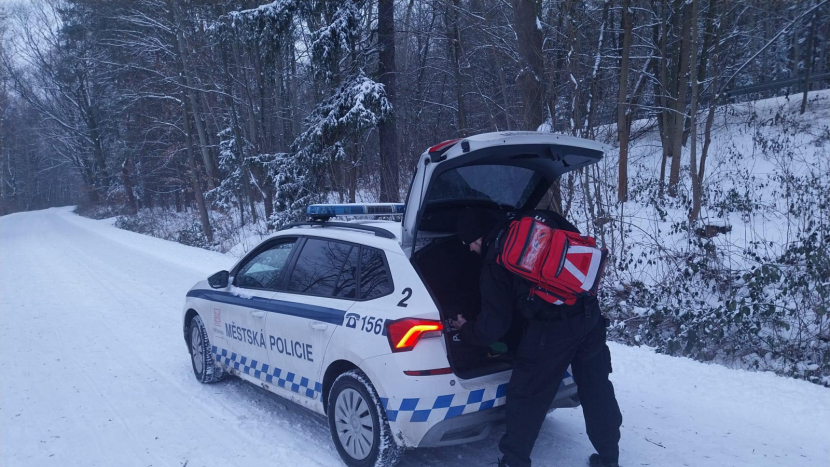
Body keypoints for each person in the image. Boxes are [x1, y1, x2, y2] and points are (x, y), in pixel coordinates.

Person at [450, 208, 623, 467]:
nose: (472, 251)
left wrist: (465, 329)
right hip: (589, 313)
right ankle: (609, 458)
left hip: (552, 328)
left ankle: (513, 462)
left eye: (469, 245)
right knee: (596, 387)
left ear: (477, 238)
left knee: (527, 394)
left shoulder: (495, 259)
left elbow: (493, 327)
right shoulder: (537, 218)